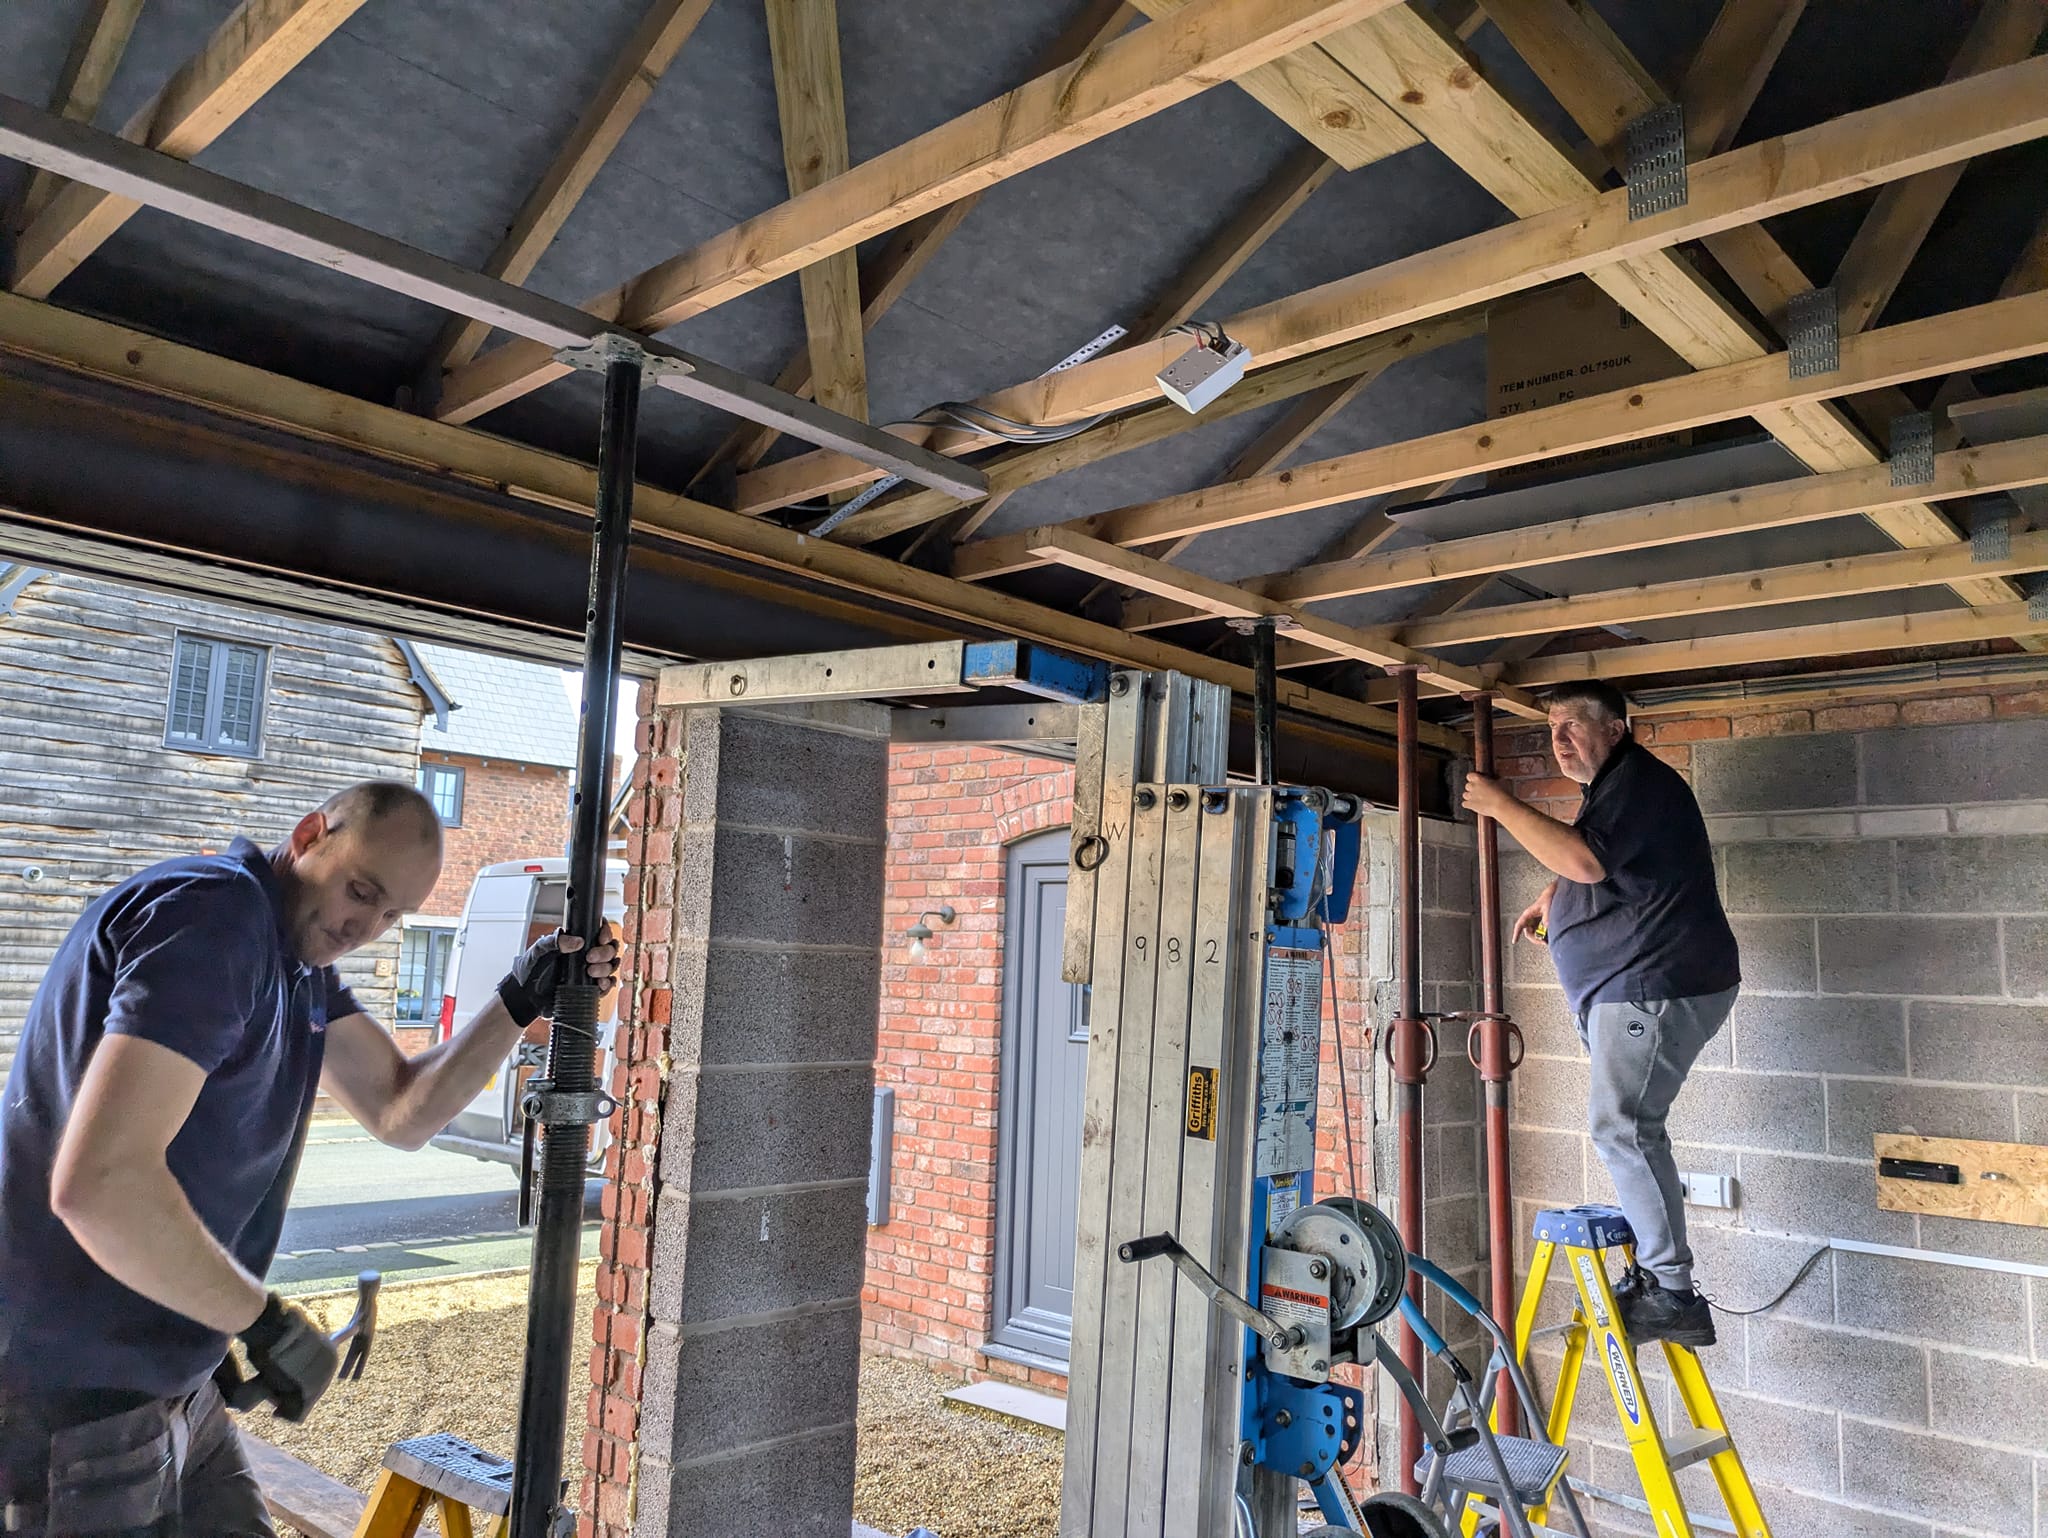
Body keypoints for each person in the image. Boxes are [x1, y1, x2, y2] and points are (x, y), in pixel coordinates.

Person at [0, 781, 620, 1537]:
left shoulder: (298, 966)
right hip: (68, 1390)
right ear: (308, 835)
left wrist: (520, 1000)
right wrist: (263, 1322)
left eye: (391, 915)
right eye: (361, 891)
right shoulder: (215, 919)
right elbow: (100, 1184)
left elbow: (400, 1109)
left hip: (173, 1376)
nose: (366, 926)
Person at [1461, 681, 1739, 1348]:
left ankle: (1672, 1293)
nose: (1558, 738)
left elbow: (1587, 858)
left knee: (1623, 1127)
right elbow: (1600, 859)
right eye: (1552, 726)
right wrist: (1554, 900)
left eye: (1573, 725)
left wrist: (1501, 805)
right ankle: (1656, 1275)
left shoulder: (1639, 781)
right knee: (1632, 1127)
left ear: (1615, 729)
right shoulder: (1618, 791)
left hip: (1655, 987)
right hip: (1636, 988)